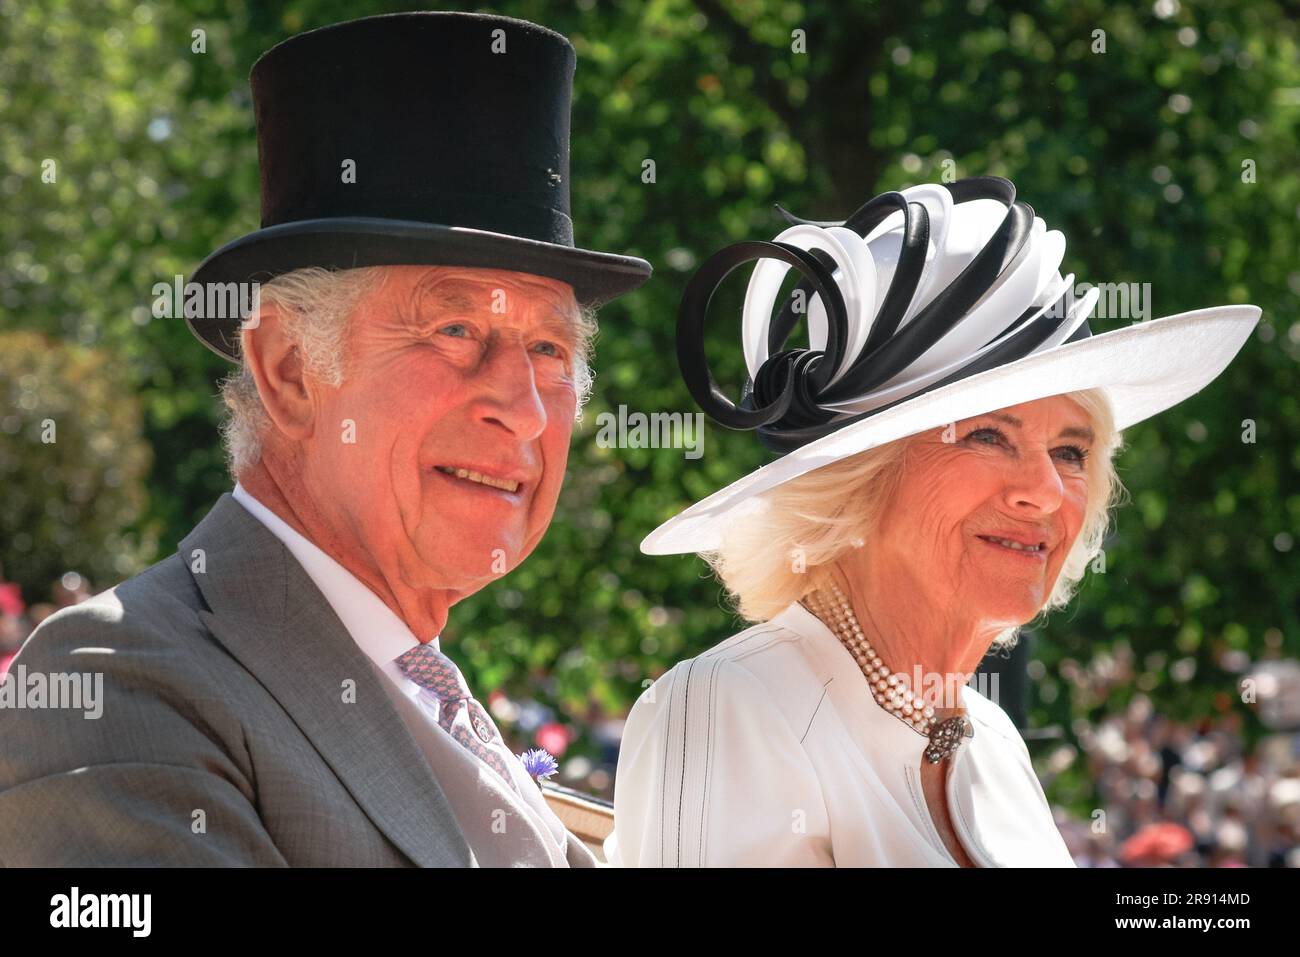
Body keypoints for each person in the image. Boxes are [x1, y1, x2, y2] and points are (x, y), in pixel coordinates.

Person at [0, 11, 650, 867]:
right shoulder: (114, 683)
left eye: (549, 348)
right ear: (287, 368)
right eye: (456, 329)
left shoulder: (425, 695)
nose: (526, 410)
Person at [606, 176, 1259, 866]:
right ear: (860, 482)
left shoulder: (995, 741)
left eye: (1070, 450)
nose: (1043, 490)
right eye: (986, 437)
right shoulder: (734, 705)